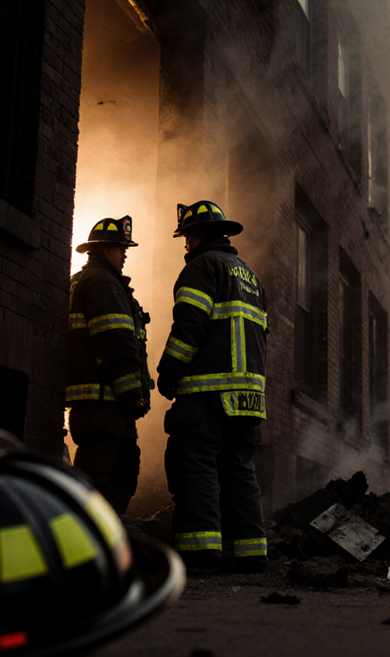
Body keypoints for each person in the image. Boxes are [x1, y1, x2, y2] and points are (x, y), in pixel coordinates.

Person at [157, 200, 269, 572]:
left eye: (187, 236)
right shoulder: (250, 277)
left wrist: (168, 372)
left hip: (208, 391)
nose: (185, 244)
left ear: (199, 234)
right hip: (248, 397)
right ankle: (250, 552)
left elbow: (189, 326)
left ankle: (200, 552)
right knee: (238, 468)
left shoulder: (203, 267)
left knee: (196, 464)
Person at [67, 215, 152, 514]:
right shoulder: (103, 283)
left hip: (95, 406)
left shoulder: (82, 281)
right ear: (105, 251)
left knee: (98, 476)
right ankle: (96, 546)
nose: (125, 254)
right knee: (112, 477)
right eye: (120, 248)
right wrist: (133, 395)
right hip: (107, 404)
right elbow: (115, 342)